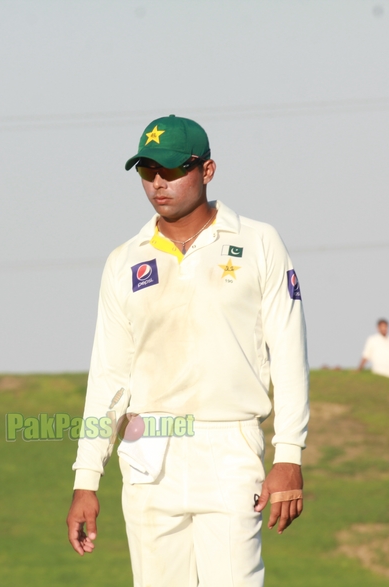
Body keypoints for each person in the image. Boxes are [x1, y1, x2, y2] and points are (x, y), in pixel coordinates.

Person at [66, 115, 309, 587]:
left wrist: (290, 454)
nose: (159, 183)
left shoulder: (259, 242)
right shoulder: (124, 260)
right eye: (147, 171)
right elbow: (109, 379)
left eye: (173, 170)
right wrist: (86, 478)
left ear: (207, 170)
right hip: (146, 449)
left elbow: (289, 352)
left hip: (229, 443)